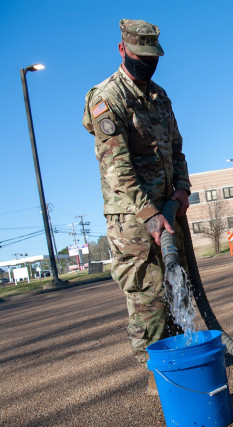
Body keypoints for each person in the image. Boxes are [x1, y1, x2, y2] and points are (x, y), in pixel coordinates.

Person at [82, 19, 191, 393]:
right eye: (139, 56)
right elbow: (119, 170)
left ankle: (183, 356)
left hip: (168, 208)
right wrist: (149, 214)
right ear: (122, 50)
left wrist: (182, 190)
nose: (146, 63)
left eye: (152, 57)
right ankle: (157, 371)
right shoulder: (107, 97)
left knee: (179, 283)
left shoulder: (160, 97)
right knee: (148, 292)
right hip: (133, 219)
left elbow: (176, 148)